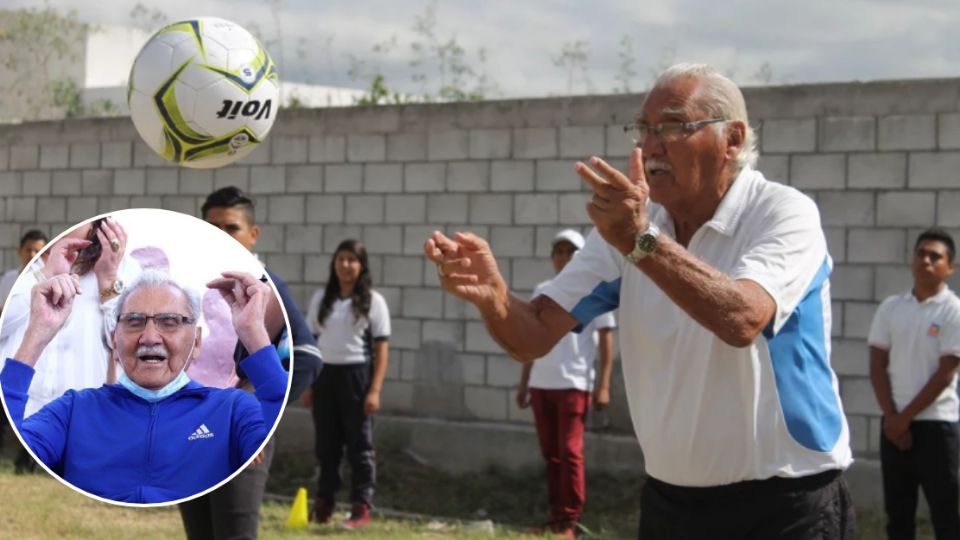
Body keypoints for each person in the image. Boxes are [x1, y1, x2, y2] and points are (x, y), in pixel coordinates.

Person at [425, 63, 855, 540]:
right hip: (671, 504)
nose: (650, 146)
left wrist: (641, 241)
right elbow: (533, 335)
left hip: (785, 504)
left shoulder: (781, 212)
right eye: (643, 129)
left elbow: (743, 317)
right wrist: (494, 298)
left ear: (731, 139)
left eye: (672, 127)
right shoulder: (633, 227)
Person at [0, 269, 287, 504]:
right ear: (114, 339)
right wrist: (36, 334)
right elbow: (15, 450)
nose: (150, 336)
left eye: (170, 322)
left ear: (196, 342)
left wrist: (254, 333)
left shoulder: (231, 410)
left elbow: (273, 425)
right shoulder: (74, 409)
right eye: (134, 322)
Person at [177, 186, 323, 539]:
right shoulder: (188, 284)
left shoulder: (264, 287)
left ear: (253, 235)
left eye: (231, 228)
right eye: (212, 227)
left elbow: (308, 357)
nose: (220, 236)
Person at [516, 228, 615, 538]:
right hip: (542, 382)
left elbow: (605, 338)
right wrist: (524, 381)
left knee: (570, 452)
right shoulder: (543, 290)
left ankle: (571, 521)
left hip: (573, 383)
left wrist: (603, 384)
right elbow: (532, 337)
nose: (563, 257)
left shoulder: (593, 289)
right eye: (558, 251)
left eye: (570, 251)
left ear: (580, 255)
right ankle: (555, 516)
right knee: (551, 453)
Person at [868, 228, 960, 540]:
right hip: (893, 427)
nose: (926, 261)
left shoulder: (953, 311)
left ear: (951, 267)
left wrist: (903, 419)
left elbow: (946, 373)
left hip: (937, 427)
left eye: (936, 256)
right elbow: (877, 365)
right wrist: (892, 419)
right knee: (898, 516)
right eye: (921, 253)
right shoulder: (891, 308)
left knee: (947, 514)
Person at [0, 217, 139, 416]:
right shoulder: (29, 270)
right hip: (16, 406)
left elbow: (129, 349)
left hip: (81, 418)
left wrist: (109, 283)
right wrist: (44, 274)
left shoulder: (123, 267)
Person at [303, 239, 390, 529]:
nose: (345, 265)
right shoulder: (321, 299)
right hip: (325, 376)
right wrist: (309, 384)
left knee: (359, 446)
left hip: (357, 378)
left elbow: (381, 348)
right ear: (334, 263)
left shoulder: (373, 302)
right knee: (327, 445)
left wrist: (375, 389)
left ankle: (361, 506)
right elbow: (311, 342)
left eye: (352, 259)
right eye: (341, 259)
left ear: (361, 265)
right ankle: (324, 503)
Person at [0, 229, 47, 312]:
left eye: (37, 251)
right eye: (28, 250)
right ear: (19, 251)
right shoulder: (7, 279)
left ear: (45, 254)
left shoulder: (50, 280)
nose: (32, 255)